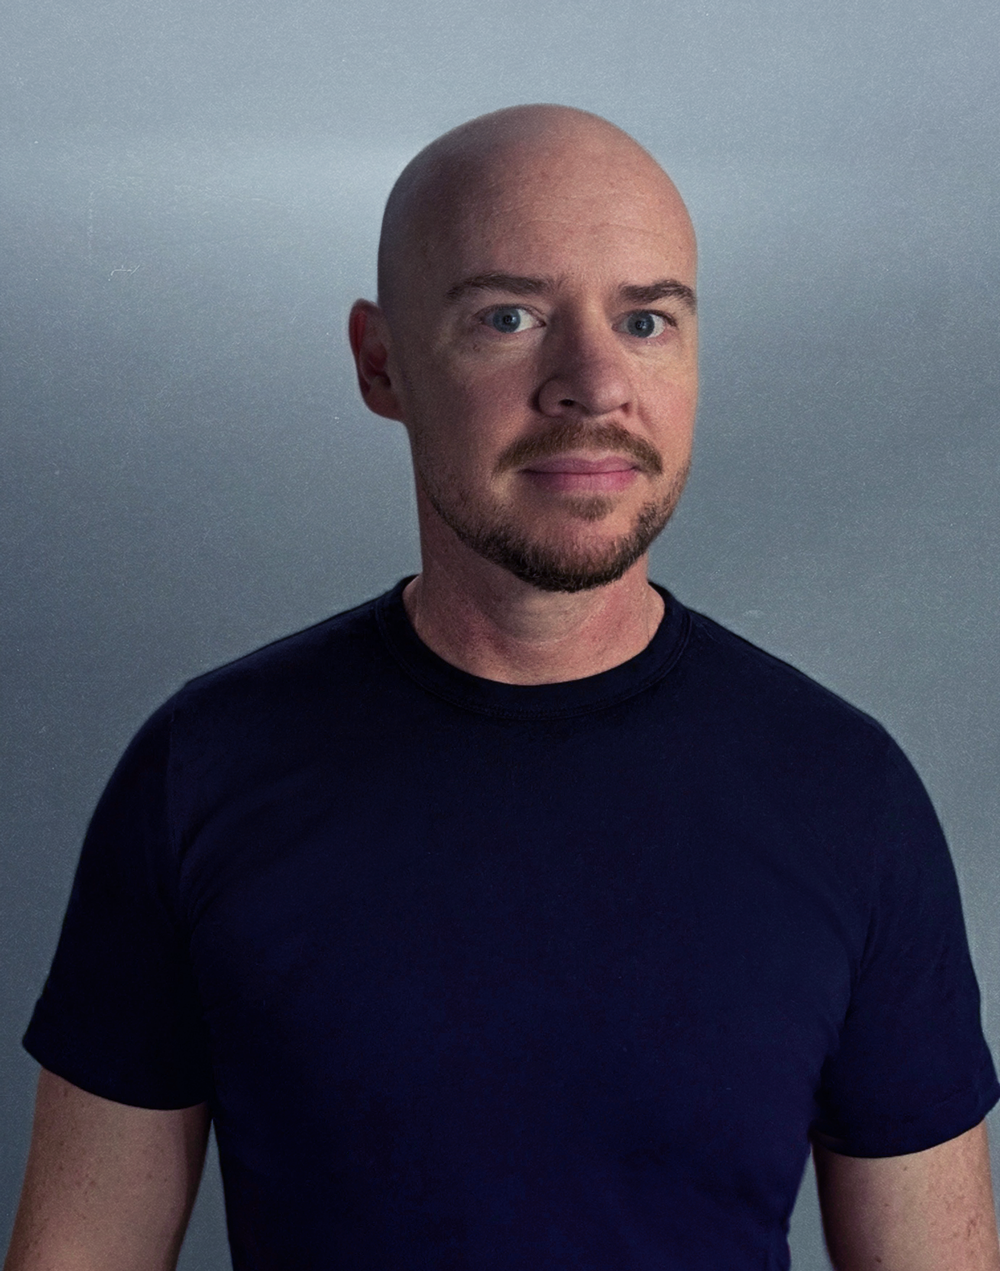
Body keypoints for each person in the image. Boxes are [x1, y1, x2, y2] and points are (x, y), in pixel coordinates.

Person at [5, 104, 999, 1271]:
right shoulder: (203, 770)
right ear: (381, 362)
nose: (592, 382)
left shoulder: (847, 793)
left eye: (645, 320)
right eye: (509, 316)